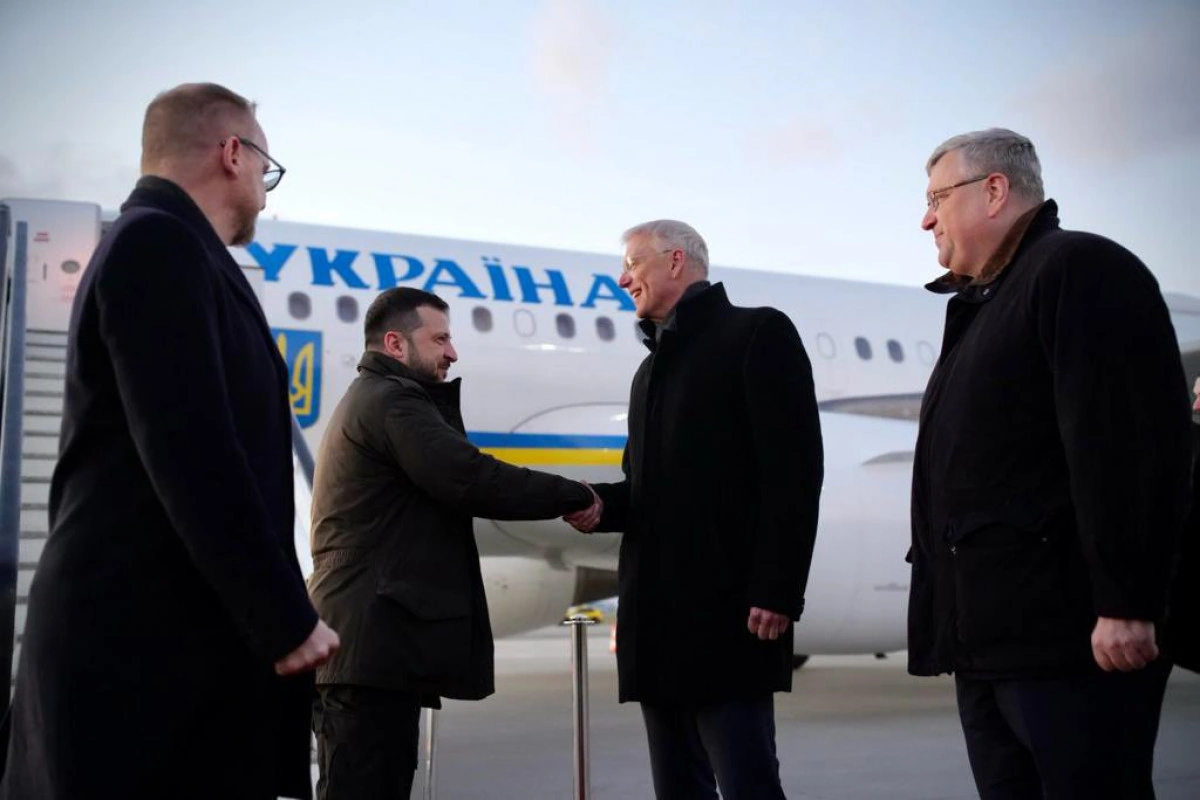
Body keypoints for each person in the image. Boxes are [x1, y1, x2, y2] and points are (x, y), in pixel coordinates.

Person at [0, 83, 338, 800]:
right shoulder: (157, 244)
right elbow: (191, 451)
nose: (265, 193)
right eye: (267, 170)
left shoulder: (169, 247)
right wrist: (283, 617)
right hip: (139, 662)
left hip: (162, 655)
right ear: (232, 154)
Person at [907, 128, 1192, 800]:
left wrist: (1127, 602)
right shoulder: (982, 306)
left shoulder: (1079, 269)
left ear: (994, 191)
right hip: (990, 647)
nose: (926, 219)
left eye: (937, 199)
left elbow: (1126, 448)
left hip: (1069, 645)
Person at [566, 220, 824, 800]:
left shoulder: (757, 333)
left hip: (727, 616)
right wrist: (596, 504)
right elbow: (646, 489)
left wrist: (779, 588)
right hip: (658, 624)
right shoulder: (649, 371)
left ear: (676, 261)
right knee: (677, 787)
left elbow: (795, 472)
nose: (623, 279)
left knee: (748, 783)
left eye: (632, 263)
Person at [307, 286, 599, 799]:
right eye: (439, 339)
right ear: (395, 344)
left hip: (368, 648)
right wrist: (575, 494)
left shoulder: (372, 398)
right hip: (370, 649)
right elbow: (469, 477)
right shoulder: (393, 402)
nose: (453, 353)